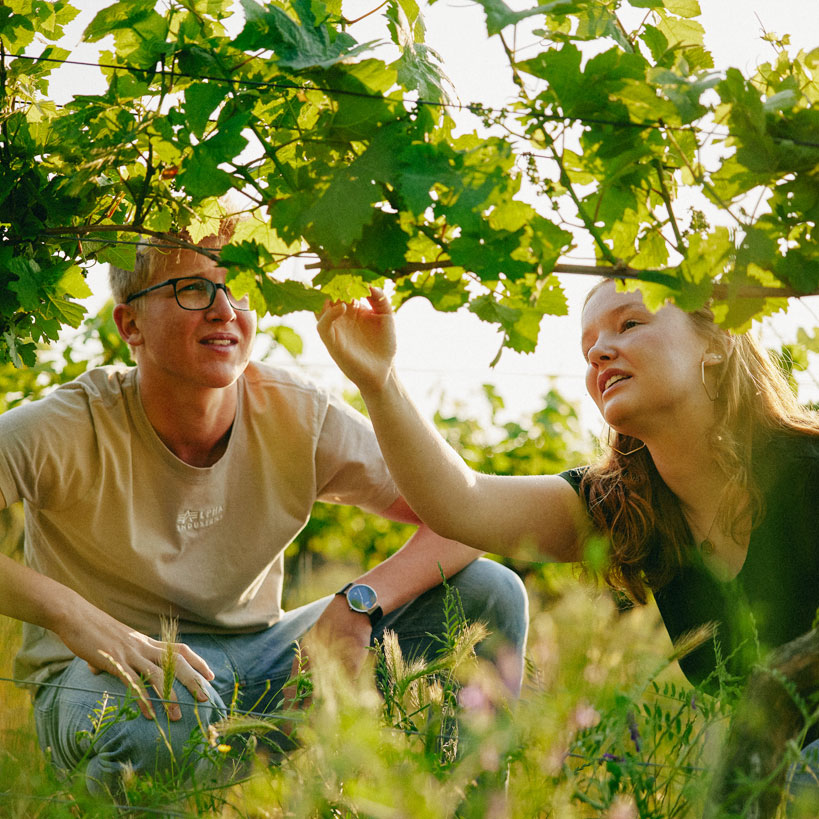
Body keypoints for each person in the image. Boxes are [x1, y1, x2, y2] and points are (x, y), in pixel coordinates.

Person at [0, 221, 528, 798]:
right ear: (131, 324)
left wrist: (360, 606)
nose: (225, 310)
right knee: (165, 704)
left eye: (240, 287)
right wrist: (74, 618)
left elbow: (466, 517)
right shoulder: (69, 424)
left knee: (490, 591)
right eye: (194, 290)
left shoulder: (296, 411)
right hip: (110, 684)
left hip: (266, 665)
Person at [317, 280, 819, 801]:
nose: (600, 352)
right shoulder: (623, 505)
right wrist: (379, 380)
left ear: (715, 342)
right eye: (588, 349)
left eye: (630, 324)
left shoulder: (810, 475)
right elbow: (459, 504)